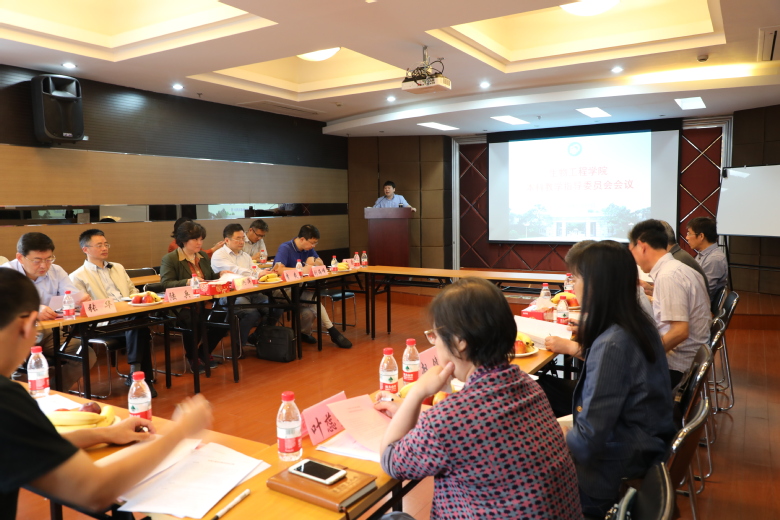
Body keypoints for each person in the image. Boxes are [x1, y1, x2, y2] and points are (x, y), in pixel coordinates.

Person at [0, 268, 212, 520]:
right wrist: (181, 431)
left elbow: (31, 444)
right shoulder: (7, 400)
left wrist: (104, 434)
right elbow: (94, 491)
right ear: (27, 325)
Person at [373, 277, 581, 519]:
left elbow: (391, 460)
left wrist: (417, 393)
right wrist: (419, 414)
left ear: (460, 342)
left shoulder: (451, 418)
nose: (435, 343)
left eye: (435, 335)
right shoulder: (529, 387)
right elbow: (476, 425)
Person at [562, 241, 676, 517]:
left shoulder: (612, 343)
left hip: (615, 463)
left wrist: (554, 436)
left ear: (595, 284)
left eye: (575, 279)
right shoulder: (635, 322)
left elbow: (588, 441)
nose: (572, 287)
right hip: (644, 442)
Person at [0, 233, 95, 391]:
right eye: (37, 261)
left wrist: (80, 299)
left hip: (51, 333)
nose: (44, 265)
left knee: (85, 354)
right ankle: (24, 400)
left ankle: (55, 393)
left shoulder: (56, 271)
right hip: (17, 335)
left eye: (49, 259)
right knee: (22, 368)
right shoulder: (6, 274)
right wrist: (33, 310)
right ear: (20, 257)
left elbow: (71, 296)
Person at [69, 229, 157, 397]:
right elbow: (83, 309)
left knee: (139, 323)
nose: (104, 248)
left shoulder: (118, 267)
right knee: (141, 326)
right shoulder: (77, 276)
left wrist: (138, 298)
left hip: (128, 316)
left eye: (106, 244)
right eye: (99, 245)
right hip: (102, 323)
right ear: (85, 249)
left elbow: (132, 291)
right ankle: (140, 377)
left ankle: (137, 375)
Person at [629, 220, 710, 388]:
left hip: (675, 366)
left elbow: (679, 331)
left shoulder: (669, 276)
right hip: (688, 358)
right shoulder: (675, 268)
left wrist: (647, 355)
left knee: (614, 370)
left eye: (632, 251)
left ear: (642, 246)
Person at [160, 222, 229, 373]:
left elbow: (209, 277)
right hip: (181, 305)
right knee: (193, 319)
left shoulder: (202, 256)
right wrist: (188, 282)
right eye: (195, 239)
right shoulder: (170, 259)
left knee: (224, 316)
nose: (200, 243)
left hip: (204, 301)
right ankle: (192, 356)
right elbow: (165, 284)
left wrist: (220, 275)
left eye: (201, 239)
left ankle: (204, 352)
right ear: (184, 240)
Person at [273, 225, 352, 349]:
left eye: (316, 243)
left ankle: (303, 334)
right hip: (282, 290)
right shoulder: (285, 248)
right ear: (302, 239)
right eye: (312, 243)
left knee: (309, 313)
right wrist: (301, 270)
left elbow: (320, 262)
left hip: (298, 288)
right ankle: (333, 331)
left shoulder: (308, 249)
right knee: (313, 300)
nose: (313, 246)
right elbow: (278, 270)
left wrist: (313, 261)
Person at [211, 223, 280, 346]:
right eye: (238, 238)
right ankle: (238, 345)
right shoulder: (219, 255)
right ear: (227, 240)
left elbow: (255, 270)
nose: (242, 242)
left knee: (276, 308)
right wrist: (256, 274)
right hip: (231, 295)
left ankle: (256, 337)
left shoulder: (245, 256)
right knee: (251, 313)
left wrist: (265, 272)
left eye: (243, 238)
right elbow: (234, 270)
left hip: (250, 292)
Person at [640, 221, 709, 298]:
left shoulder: (675, 263)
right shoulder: (678, 255)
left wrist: (646, 299)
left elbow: (673, 300)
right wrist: (651, 289)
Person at [686, 217, 728, 308]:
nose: (687, 237)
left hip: (700, 308)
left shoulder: (714, 259)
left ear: (701, 236)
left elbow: (703, 292)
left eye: (689, 233)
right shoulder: (703, 254)